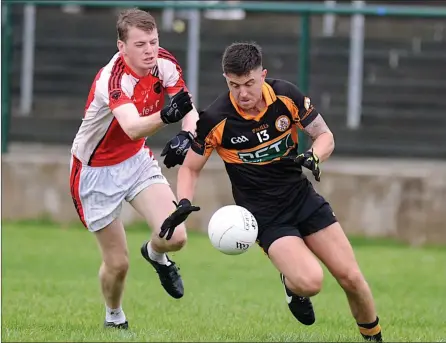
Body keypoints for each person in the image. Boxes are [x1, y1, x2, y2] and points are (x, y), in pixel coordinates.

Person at [160, 42, 383, 342]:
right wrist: (184, 202)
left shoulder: (286, 96)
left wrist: (315, 155)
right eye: (234, 85)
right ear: (226, 80)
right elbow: (190, 167)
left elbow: (324, 135)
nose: (243, 93)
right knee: (310, 281)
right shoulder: (216, 118)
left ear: (263, 75)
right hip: (265, 217)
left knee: (352, 278)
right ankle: (292, 287)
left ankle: (374, 338)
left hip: (302, 199)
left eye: (249, 83)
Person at [69, 8, 199, 330]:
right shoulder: (111, 79)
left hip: (136, 160)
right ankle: (114, 316)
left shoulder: (164, 63)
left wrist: (187, 135)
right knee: (118, 264)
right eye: (140, 44)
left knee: (176, 236)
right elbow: (132, 127)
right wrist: (168, 117)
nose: (149, 50)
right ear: (121, 46)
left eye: (153, 41)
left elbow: (188, 109)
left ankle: (155, 254)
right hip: (94, 172)